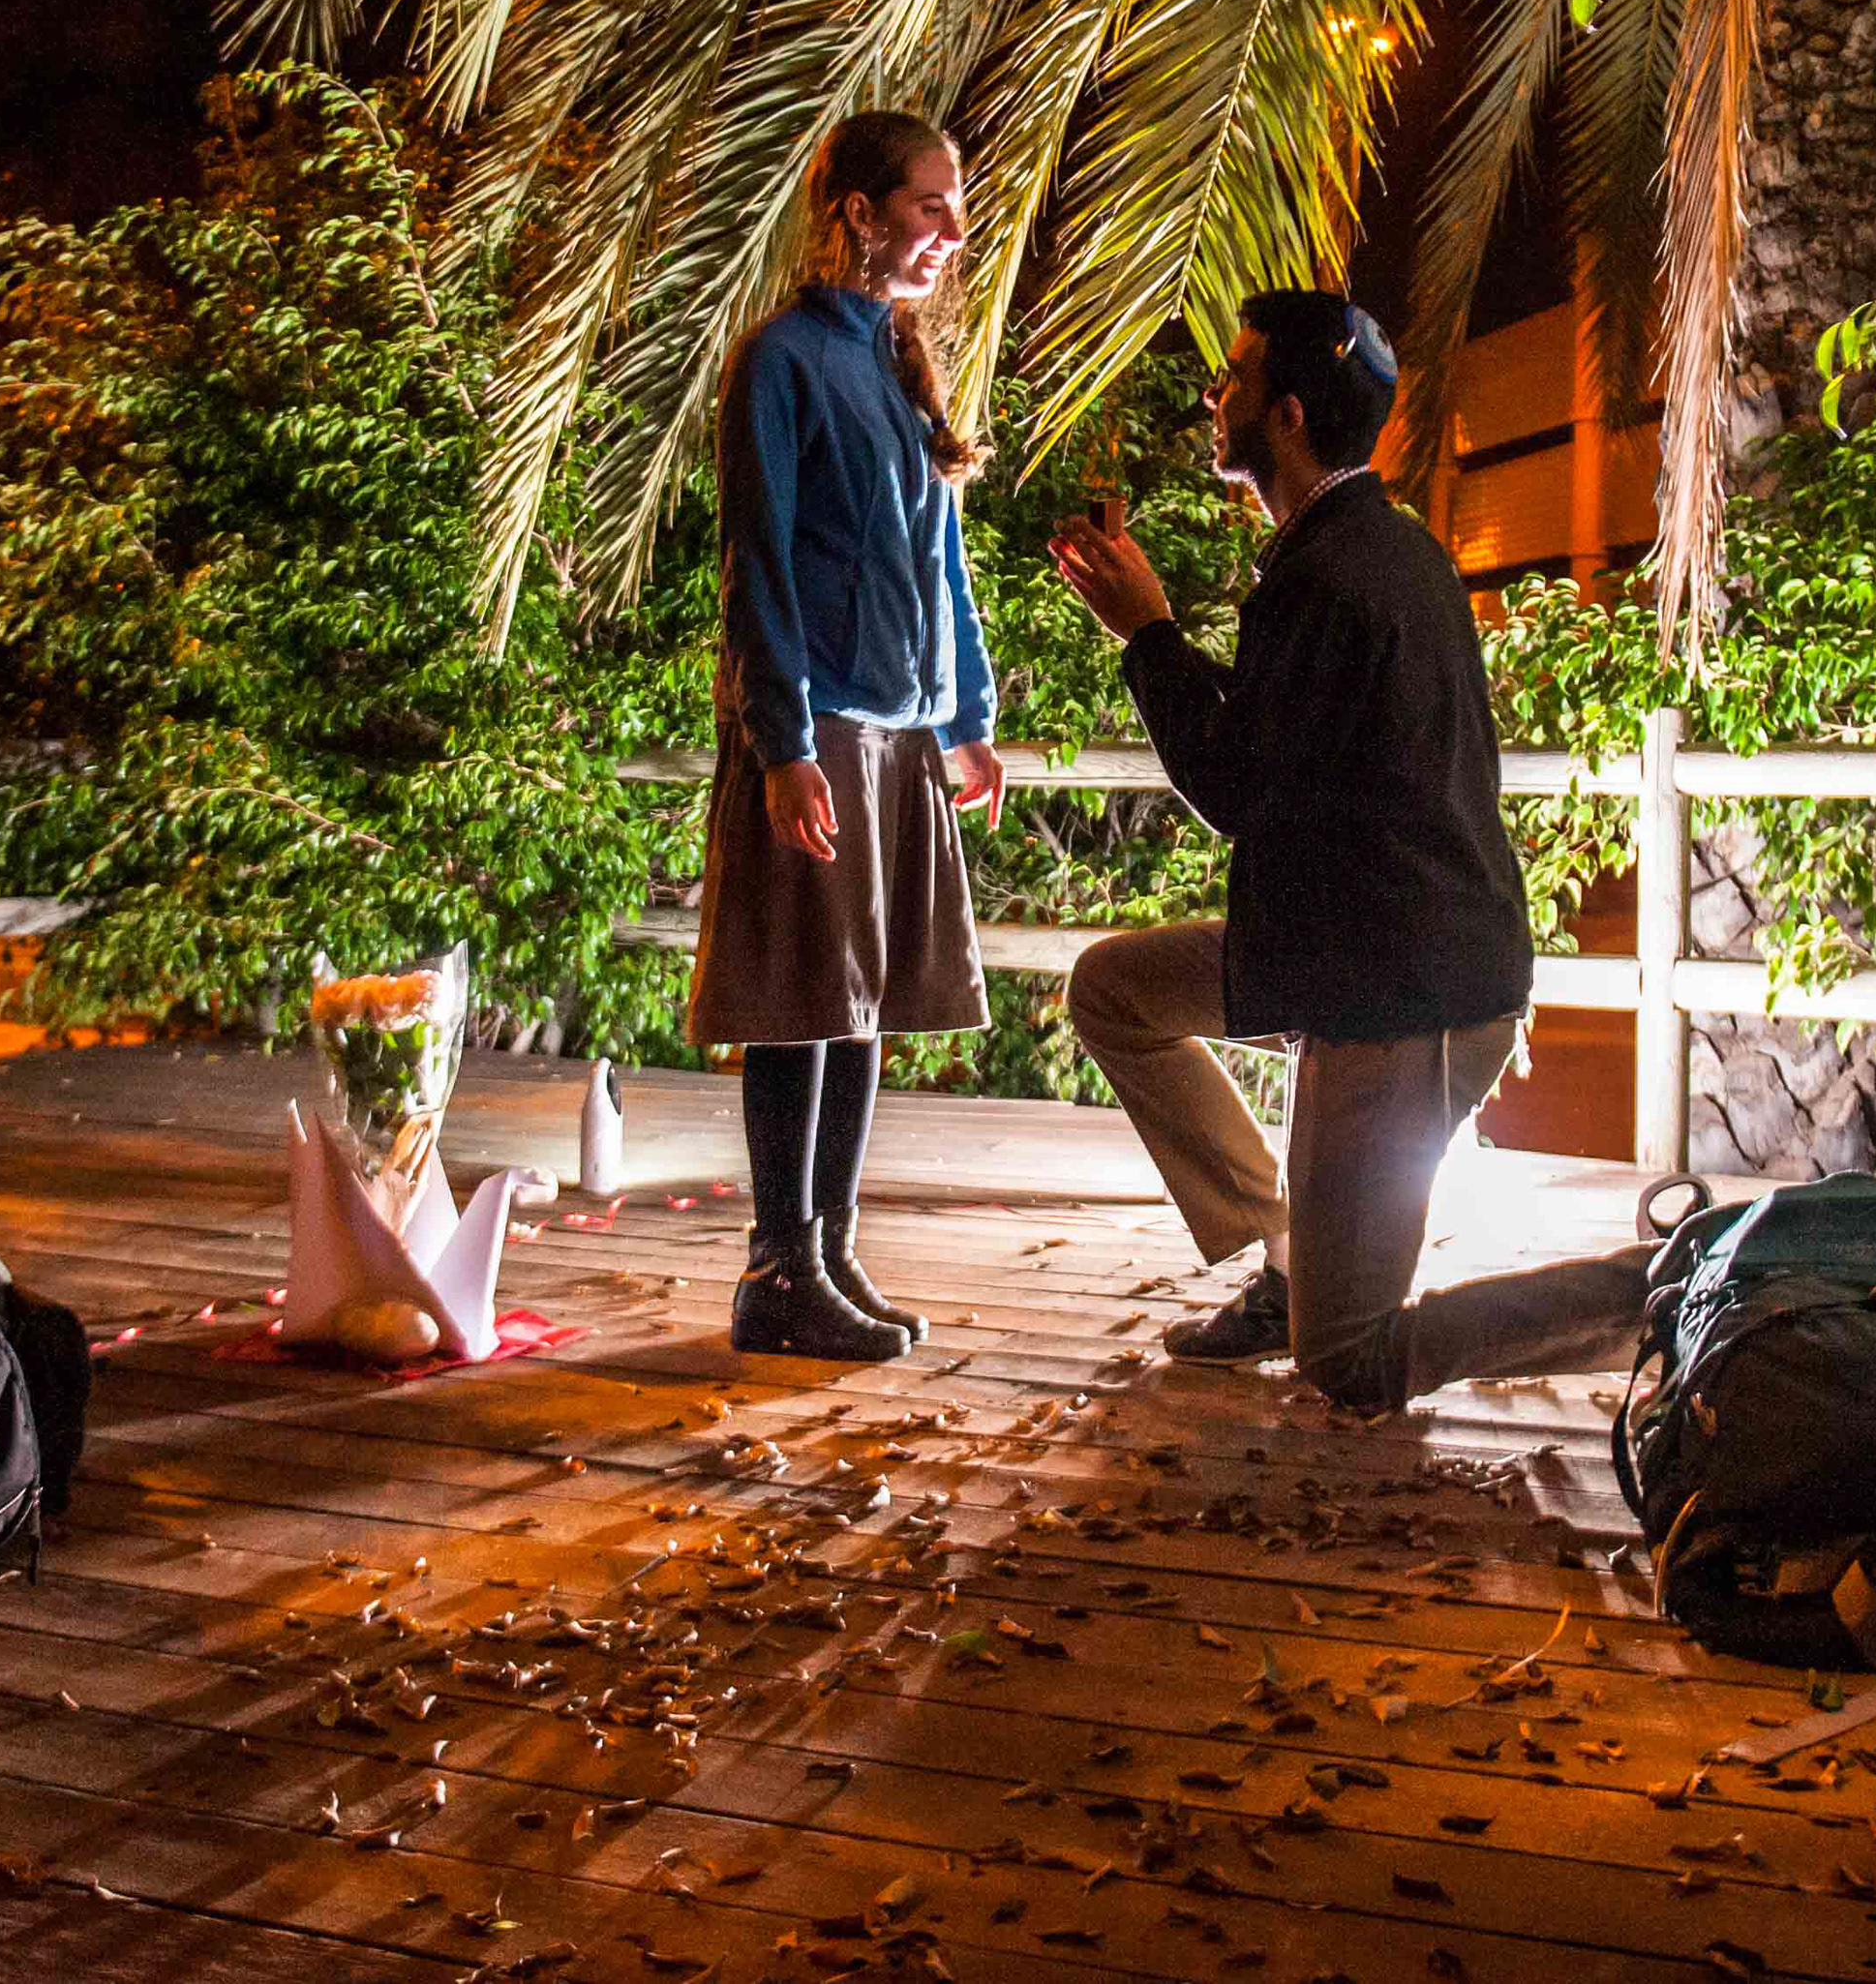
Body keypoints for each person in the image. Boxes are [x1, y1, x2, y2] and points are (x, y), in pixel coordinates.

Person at [1046, 291, 1650, 1414]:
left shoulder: (1333, 573)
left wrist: (1150, 635)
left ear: (1283, 415)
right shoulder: (1377, 548)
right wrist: (1157, 639)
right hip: (1341, 951)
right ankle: (1284, 1252)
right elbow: (1278, 741)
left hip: (1403, 1002)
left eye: (1233, 379)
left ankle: (1648, 1295)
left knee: (1349, 1359)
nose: (1213, 396)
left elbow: (1235, 787)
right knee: (1115, 991)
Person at [686, 111, 1008, 1362]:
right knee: (803, 997)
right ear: (859, 213)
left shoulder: (896, 362)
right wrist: (783, 744)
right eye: (930, 205)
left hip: (899, 730)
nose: (953, 231)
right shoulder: (780, 359)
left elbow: (943, 567)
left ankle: (831, 1251)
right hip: (819, 724)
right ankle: (780, 1265)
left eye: (956, 208)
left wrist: (967, 720)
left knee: (862, 999)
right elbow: (756, 562)